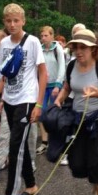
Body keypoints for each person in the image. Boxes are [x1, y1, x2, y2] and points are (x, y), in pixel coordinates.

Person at [0, 3, 46, 195]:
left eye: (16, 20)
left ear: (23, 21)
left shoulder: (33, 42)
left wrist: (39, 104)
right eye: (8, 21)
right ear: (4, 22)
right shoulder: (4, 44)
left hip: (27, 99)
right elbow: (5, 76)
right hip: (10, 100)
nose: (12, 24)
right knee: (21, 144)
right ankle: (32, 185)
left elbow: (43, 73)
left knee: (15, 146)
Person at [53, 29, 98, 195]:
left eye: (83, 47)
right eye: (75, 47)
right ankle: (96, 181)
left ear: (93, 49)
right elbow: (68, 87)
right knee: (77, 164)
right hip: (79, 120)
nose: (78, 51)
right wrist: (59, 99)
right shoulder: (71, 66)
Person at [36, 26, 66, 156]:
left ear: (52, 36)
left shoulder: (57, 49)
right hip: (43, 85)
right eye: (41, 36)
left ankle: (57, 142)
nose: (43, 38)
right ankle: (44, 142)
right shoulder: (39, 50)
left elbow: (62, 67)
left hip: (55, 85)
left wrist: (58, 85)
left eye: (46, 36)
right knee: (41, 113)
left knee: (54, 114)